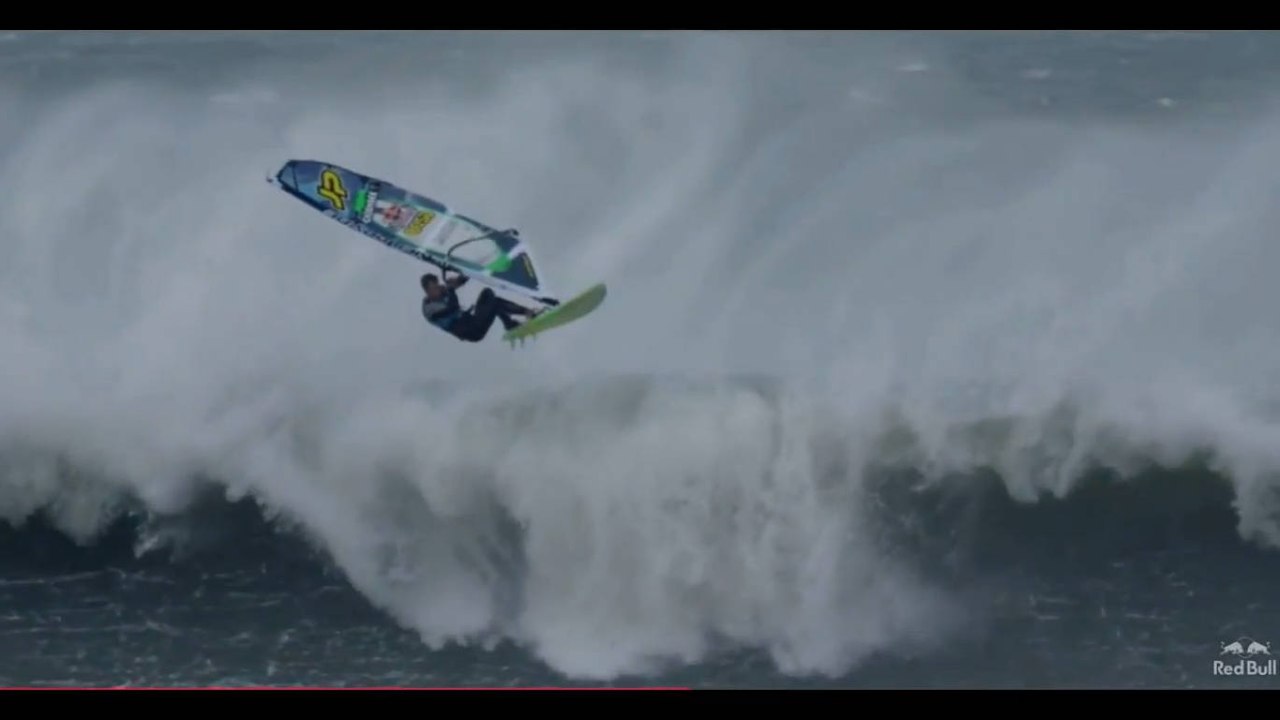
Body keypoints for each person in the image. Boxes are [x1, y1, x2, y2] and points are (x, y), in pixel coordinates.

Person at [420, 270, 539, 342]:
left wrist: (465, 272)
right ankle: (527, 314)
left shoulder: (440, 291)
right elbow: (453, 307)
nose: (438, 289)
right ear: (427, 291)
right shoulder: (429, 310)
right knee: (494, 302)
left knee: (488, 294)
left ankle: (510, 324)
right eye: (434, 288)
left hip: (473, 321)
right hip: (472, 331)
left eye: (437, 285)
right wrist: (451, 289)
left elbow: (461, 281)